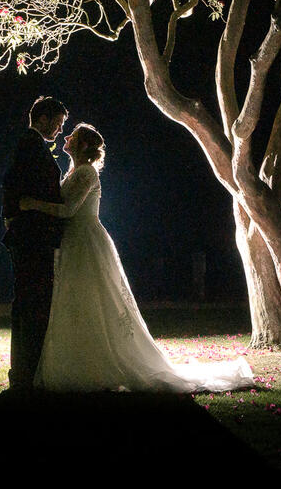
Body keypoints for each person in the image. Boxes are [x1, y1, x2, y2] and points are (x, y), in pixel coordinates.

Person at [21, 122, 254, 393]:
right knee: (76, 301)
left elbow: (69, 210)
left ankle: (98, 364)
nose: (67, 136)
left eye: (73, 135)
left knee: (93, 301)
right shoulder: (74, 171)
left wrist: (32, 204)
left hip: (86, 242)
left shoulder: (86, 173)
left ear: (83, 144)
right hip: (73, 242)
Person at [1, 95, 68, 390]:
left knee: (31, 302)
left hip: (32, 235)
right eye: (57, 122)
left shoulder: (33, 145)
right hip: (31, 237)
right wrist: (16, 213)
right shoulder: (29, 145)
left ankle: (26, 370)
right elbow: (11, 184)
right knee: (31, 302)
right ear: (42, 118)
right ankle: (24, 372)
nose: (59, 129)